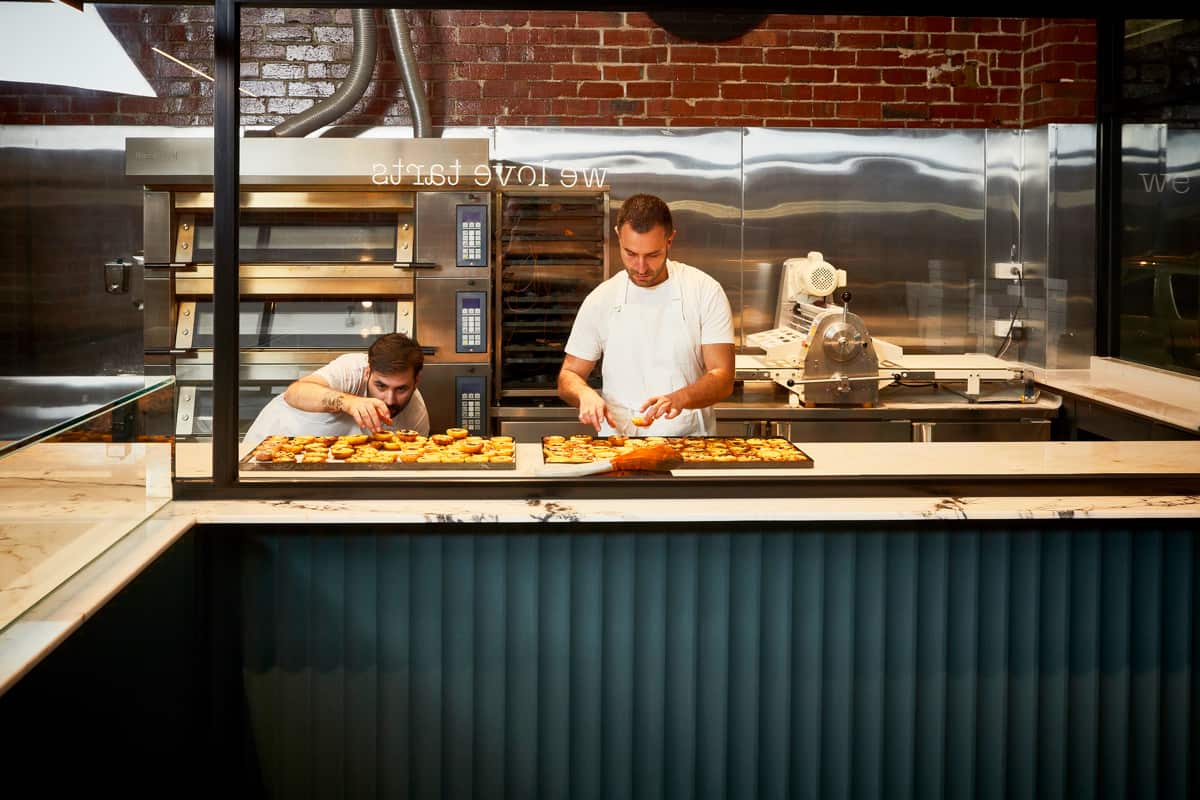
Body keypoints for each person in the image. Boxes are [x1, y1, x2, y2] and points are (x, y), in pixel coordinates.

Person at [557, 193, 735, 437]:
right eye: (630, 253)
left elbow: (723, 377)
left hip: (687, 441)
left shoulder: (704, 291)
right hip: (618, 442)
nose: (640, 267)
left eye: (652, 255)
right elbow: (569, 375)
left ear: (670, 240)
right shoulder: (601, 299)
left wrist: (679, 398)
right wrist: (584, 393)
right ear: (618, 235)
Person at [242, 332, 430, 448]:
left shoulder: (417, 416)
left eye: (401, 389)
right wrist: (349, 402)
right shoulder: (351, 368)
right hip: (267, 448)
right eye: (380, 386)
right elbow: (295, 392)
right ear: (367, 373)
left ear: (417, 381)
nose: (389, 399)